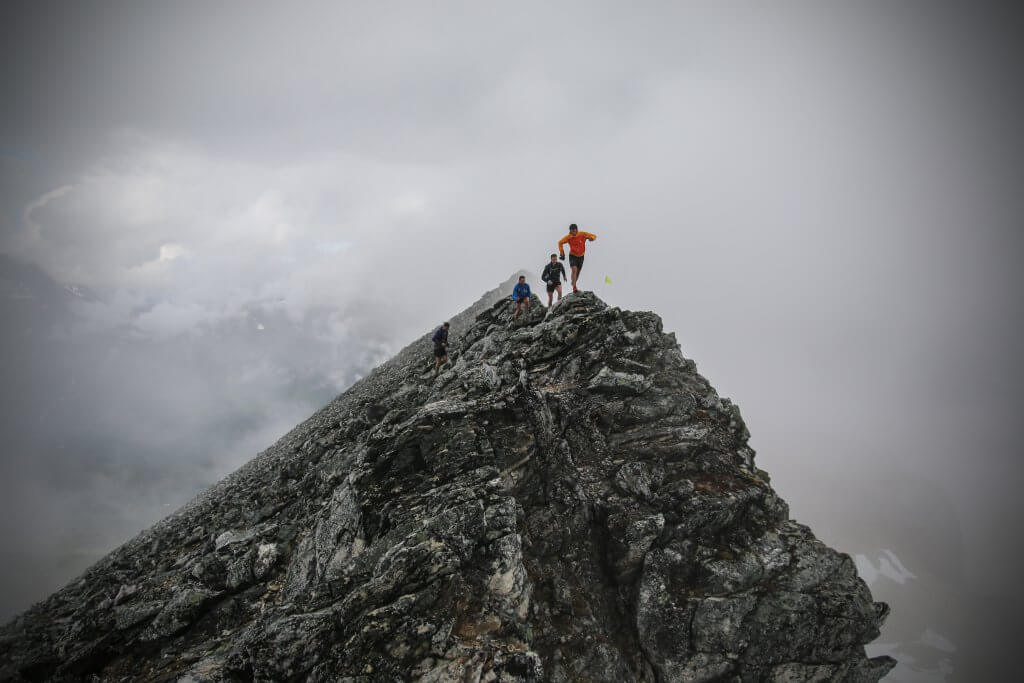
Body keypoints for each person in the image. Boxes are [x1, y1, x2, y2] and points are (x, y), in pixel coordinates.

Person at [557, 223, 597, 292]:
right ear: (570, 231)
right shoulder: (568, 237)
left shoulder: (582, 234)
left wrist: (592, 238)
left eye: (575, 230)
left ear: (577, 230)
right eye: (572, 231)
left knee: (578, 272)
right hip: (572, 256)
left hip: (581, 256)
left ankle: (573, 282)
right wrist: (562, 253)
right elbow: (560, 242)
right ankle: (574, 287)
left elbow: (594, 235)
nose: (574, 232)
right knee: (574, 270)